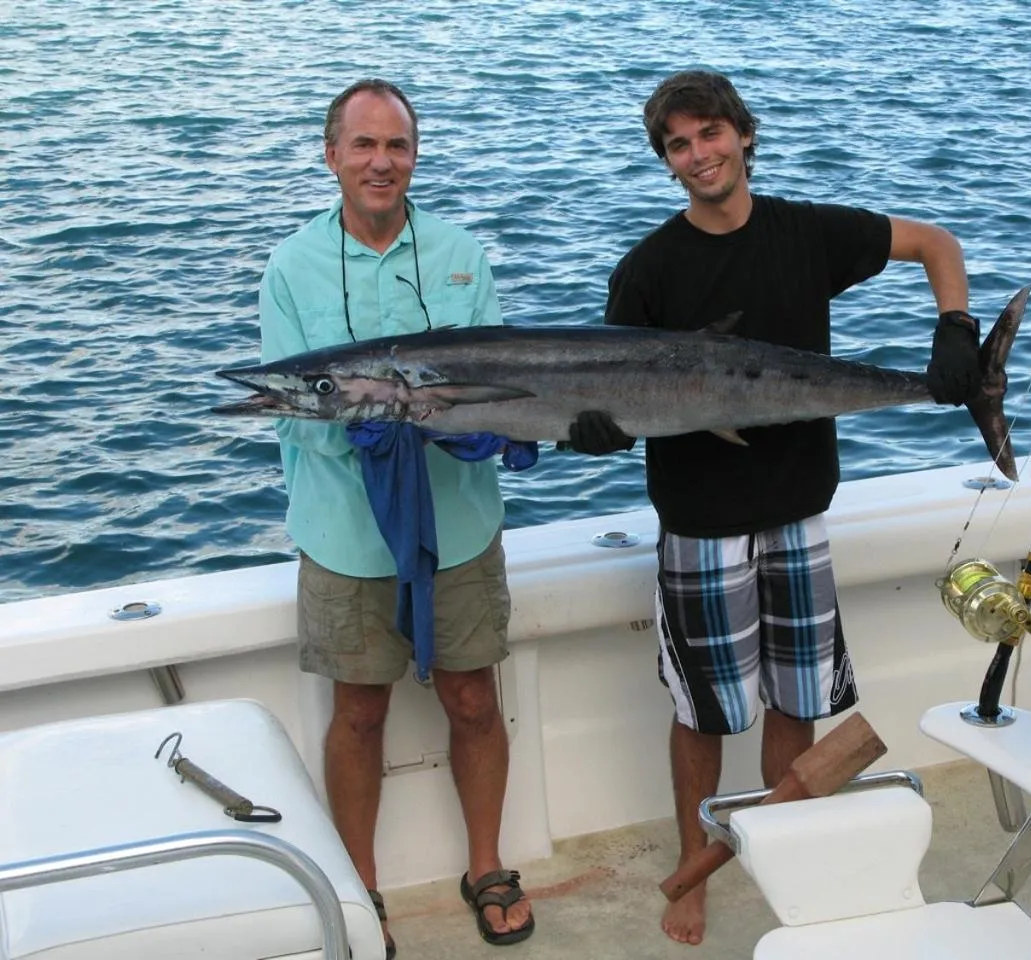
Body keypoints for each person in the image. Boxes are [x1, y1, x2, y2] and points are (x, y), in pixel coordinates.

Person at [566, 69, 983, 945]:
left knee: (798, 701)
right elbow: (608, 389)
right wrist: (593, 431)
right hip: (699, 521)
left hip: (799, 510)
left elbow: (938, 243)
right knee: (703, 712)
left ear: (743, 136)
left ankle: (783, 851)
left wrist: (955, 331)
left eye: (710, 134)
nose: (698, 155)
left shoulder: (809, 233)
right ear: (667, 162)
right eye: (678, 145)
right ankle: (693, 873)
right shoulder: (646, 271)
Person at [257, 79, 534, 954]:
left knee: (473, 700)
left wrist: (494, 431)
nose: (382, 162)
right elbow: (292, 403)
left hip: (458, 523)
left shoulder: (460, 253)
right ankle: (359, 887)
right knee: (360, 712)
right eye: (364, 145)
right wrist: (369, 436)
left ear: (414, 155)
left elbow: (500, 384)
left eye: (398, 146)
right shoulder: (289, 266)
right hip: (343, 528)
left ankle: (486, 865)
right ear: (331, 154)